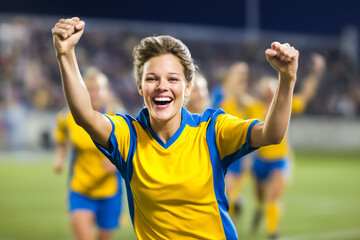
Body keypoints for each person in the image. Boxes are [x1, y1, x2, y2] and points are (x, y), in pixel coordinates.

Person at [52, 17, 299, 240]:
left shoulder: (212, 130)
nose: (162, 86)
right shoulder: (128, 136)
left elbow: (273, 133)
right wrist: (66, 53)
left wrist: (286, 79)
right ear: (140, 87)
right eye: (152, 78)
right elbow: (85, 115)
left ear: (188, 88)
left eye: (173, 79)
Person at [250, 53, 326, 240]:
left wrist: (316, 72)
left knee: (273, 198)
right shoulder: (253, 107)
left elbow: (306, 95)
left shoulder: (285, 105)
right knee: (260, 197)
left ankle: (272, 233)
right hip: (260, 160)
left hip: (279, 160)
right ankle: (259, 209)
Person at [53, 67, 124, 240]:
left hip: (109, 191)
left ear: (107, 93)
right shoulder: (66, 117)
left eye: (99, 89)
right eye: (89, 89)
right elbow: (62, 140)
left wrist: (117, 163)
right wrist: (60, 158)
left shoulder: (119, 117)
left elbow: (131, 149)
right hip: (80, 189)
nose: (94, 94)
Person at [217, 62, 263, 219]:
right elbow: (229, 92)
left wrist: (240, 76)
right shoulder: (225, 101)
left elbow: (251, 104)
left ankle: (234, 207)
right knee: (227, 192)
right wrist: (237, 73)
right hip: (224, 152)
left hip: (237, 153)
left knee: (231, 193)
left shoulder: (245, 106)